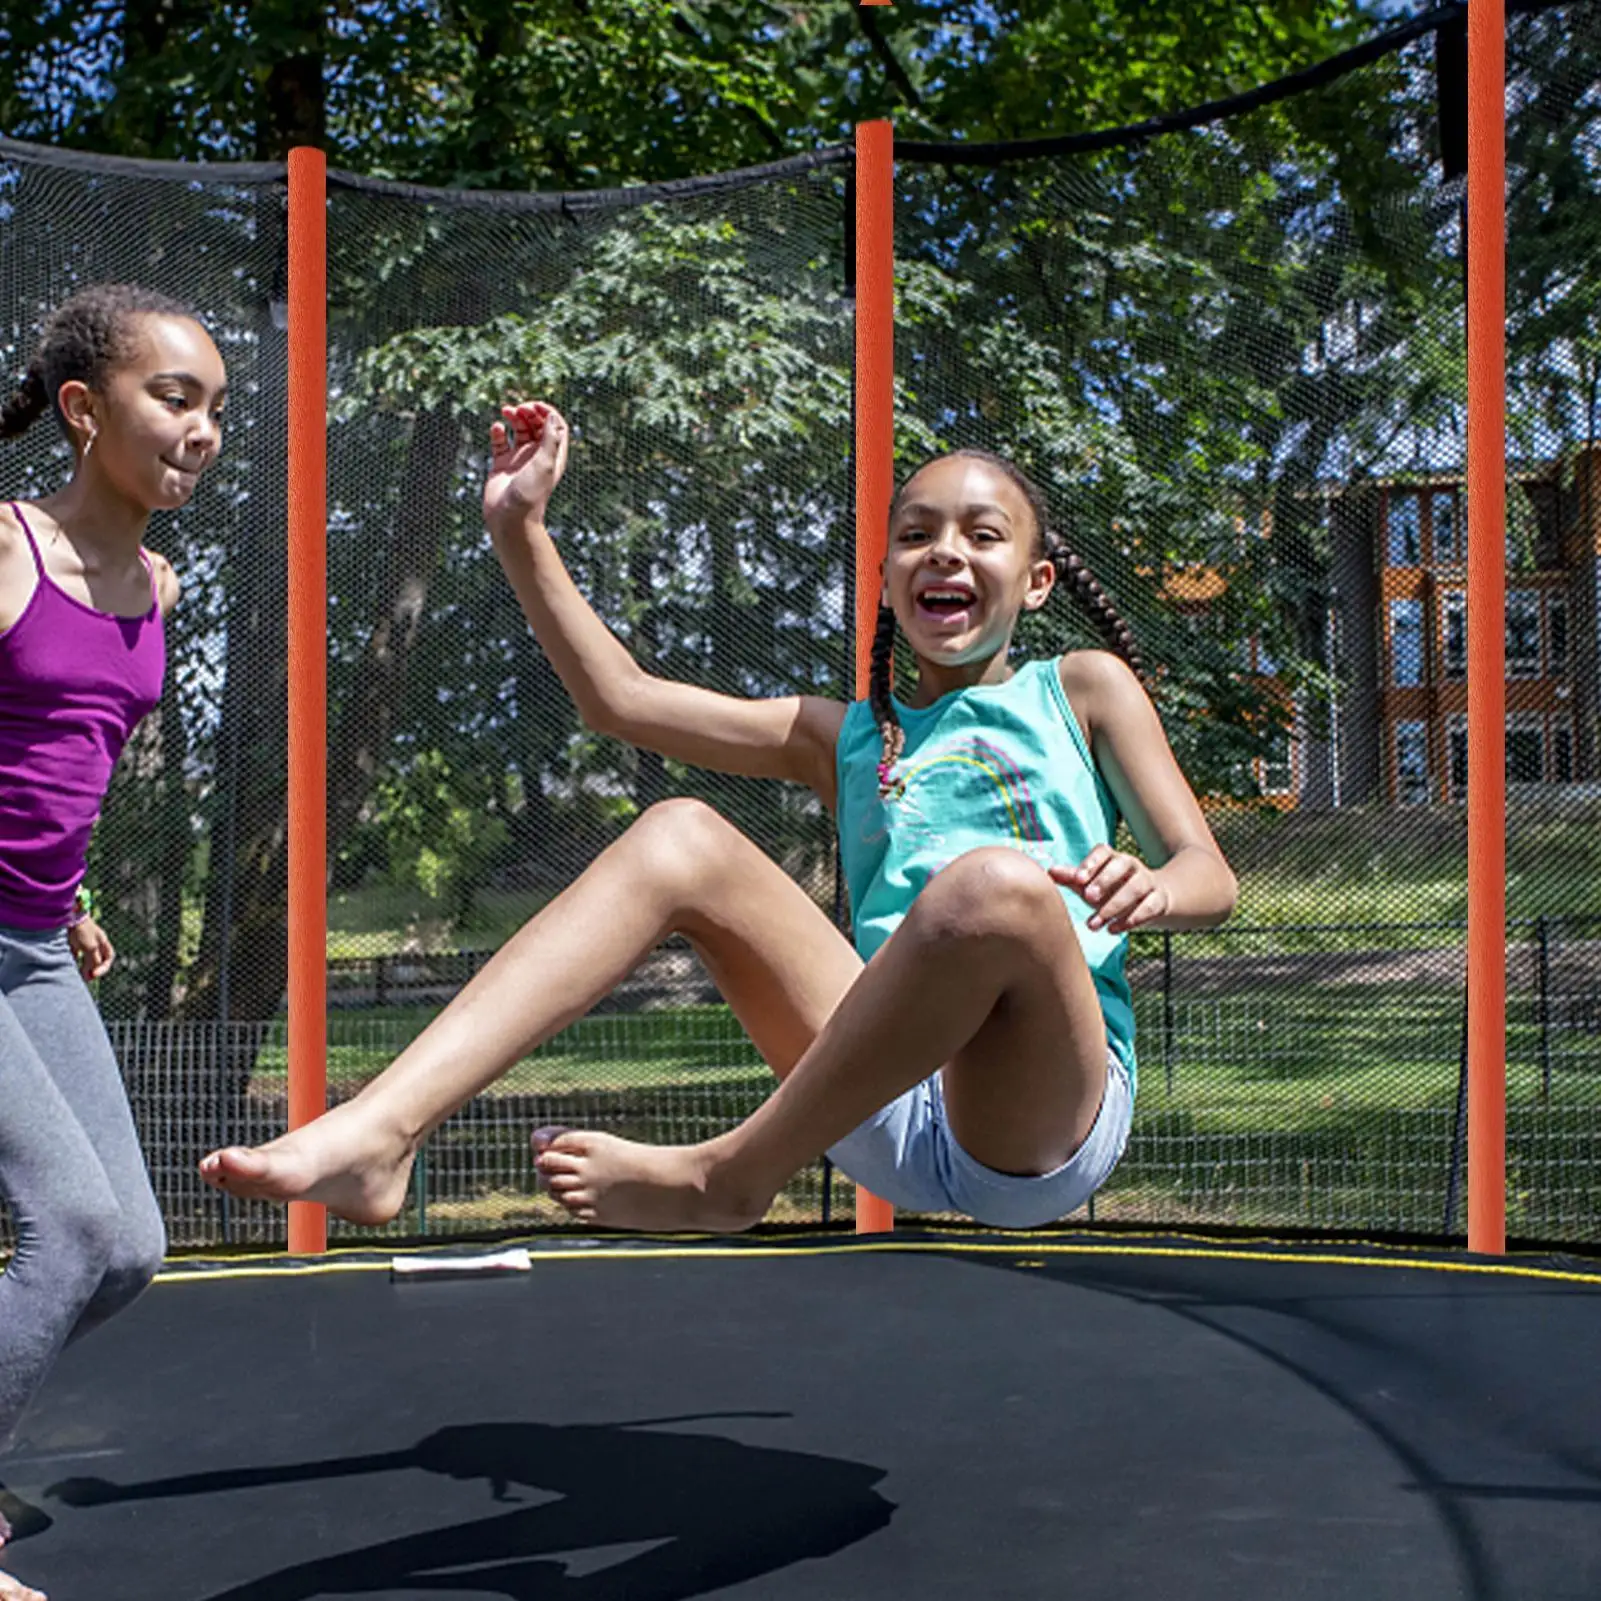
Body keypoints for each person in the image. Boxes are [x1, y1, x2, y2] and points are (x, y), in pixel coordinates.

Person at [200, 400, 1235, 1239]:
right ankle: (383, 1129)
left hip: (1037, 1119)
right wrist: (518, 529)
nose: (942, 553)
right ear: (882, 581)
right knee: (679, 831)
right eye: (913, 536)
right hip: (865, 1097)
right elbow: (618, 698)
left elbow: (1207, 872)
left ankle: (727, 1175)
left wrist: (1155, 888)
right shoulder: (845, 733)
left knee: (994, 886)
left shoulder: (1083, 688)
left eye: (981, 534)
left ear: (1037, 579)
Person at [0, 284, 227, 1601]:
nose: (200, 429)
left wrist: (71, 895)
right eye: (173, 398)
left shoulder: (158, 580)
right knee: (71, 1229)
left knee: (129, 1245)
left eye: (213, 409)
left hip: (32, 939)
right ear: (84, 410)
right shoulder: (10, 550)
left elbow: (70, 758)